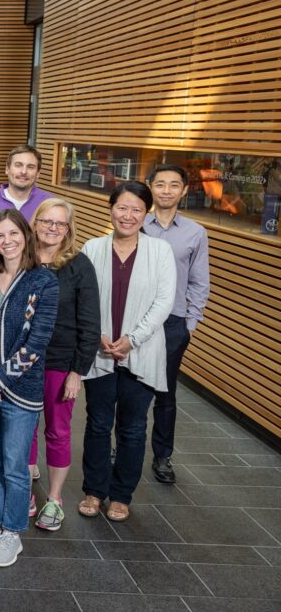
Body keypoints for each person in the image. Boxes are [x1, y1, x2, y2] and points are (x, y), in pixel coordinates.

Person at [0, 209, 58, 568]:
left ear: (25, 235)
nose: (7, 241)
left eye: (13, 234)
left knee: (16, 466)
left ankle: (13, 532)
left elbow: (37, 344)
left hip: (21, 393)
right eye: (0, 236)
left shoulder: (43, 282)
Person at [79, 182, 176, 523]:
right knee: (98, 424)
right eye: (122, 207)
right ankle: (93, 489)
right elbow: (84, 298)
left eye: (137, 209)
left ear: (146, 213)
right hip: (100, 351)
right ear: (111, 209)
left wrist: (132, 339)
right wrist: (100, 336)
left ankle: (121, 495)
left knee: (133, 428)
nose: (128, 215)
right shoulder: (92, 248)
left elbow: (164, 302)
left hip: (143, 352)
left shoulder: (160, 252)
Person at [28, 198, 101, 531]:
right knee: (23, 430)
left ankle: (55, 499)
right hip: (23, 362)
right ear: (36, 222)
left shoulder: (79, 266)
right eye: (47, 221)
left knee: (57, 431)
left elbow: (90, 323)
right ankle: (25, 492)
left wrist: (77, 371)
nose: (53, 228)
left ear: (69, 229)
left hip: (60, 363)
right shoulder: (21, 258)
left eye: (60, 223)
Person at [143, 165, 210, 484]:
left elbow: (199, 281)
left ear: (184, 190)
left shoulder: (195, 232)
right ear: (150, 188)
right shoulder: (137, 223)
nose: (166, 190)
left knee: (165, 392)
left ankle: (162, 456)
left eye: (174, 185)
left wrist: (190, 322)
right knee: (128, 388)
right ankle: (121, 446)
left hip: (173, 323)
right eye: (160, 184)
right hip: (137, 320)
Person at [0, 144, 54, 222]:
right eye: (18, 165)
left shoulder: (50, 203)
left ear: (38, 173)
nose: (24, 171)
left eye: (30, 167)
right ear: (7, 169)